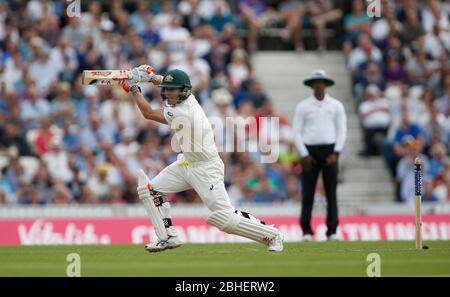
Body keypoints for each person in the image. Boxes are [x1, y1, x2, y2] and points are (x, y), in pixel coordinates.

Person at [117, 65, 284, 252]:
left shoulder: (183, 112)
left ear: (183, 91)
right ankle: (168, 237)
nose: (169, 94)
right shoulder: (189, 97)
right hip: (187, 163)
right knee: (151, 190)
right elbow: (171, 84)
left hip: (206, 169)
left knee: (225, 218)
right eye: (167, 90)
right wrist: (151, 77)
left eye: (173, 91)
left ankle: (273, 235)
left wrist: (134, 88)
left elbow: (148, 113)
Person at [292, 70, 347, 241]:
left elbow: (342, 130)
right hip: (309, 152)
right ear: (312, 85)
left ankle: (332, 231)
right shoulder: (303, 106)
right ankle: (307, 231)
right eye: (315, 82)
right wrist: (304, 154)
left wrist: (336, 152)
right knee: (308, 192)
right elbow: (296, 132)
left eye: (321, 82)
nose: (318, 85)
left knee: (331, 192)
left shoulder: (336, 105)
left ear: (325, 84)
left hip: (330, 150)